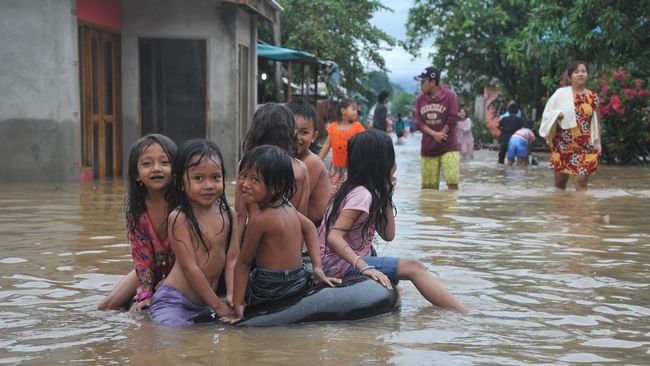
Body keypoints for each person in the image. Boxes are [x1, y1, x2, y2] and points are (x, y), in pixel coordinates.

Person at [319, 130, 468, 313]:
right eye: (392, 159)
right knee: (414, 267)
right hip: (338, 265)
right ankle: (464, 312)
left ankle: (450, 307)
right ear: (381, 163)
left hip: (340, 262)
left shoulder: (363, 191)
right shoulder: (362, 195)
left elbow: (388, 235)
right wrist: (365, 267)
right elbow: (334, 236)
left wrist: (387, 195)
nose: (395, 165)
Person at [222, 145, 339, 323]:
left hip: (269, 286)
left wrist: (237, 306)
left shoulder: (260, 219)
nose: (245, 184)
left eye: (255, 180)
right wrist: (317, 268)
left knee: (228, 293)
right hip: (298, 279)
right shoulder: (286, 205)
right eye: (243, 176)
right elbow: (309, 227)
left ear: (276, 186)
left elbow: (243, 264)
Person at [148, 139, 238, 326]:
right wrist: (218, 306)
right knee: (176, 342)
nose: (208, 185)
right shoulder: (180, 218)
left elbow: (232, 259)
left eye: (215, 177)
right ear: (180, 183)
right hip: (174, 302)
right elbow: (190, 268)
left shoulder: (229, 214)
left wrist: (231, 295)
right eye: (198, 178)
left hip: (204, 305)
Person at [98, 134, 177, 311]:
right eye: (147, 164)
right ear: (137, 175)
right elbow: (142, 260)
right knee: (106, 306)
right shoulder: (137, 214)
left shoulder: (183, 206)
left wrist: (171, 281)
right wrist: (145, 296)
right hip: (152, 271)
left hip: (183, 272)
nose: (156, 169)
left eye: (165, 163)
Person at [237, 103, 311, 247]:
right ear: (289, 134)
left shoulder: (245, 166)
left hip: (255, 243)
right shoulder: (300, 169)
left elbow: (240, 215)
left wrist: (233, 257)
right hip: (287, 246)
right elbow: (302, 217)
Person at [539, 60, 601, 191]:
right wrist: (557, 115)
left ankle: (581, 211)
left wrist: (598, 142)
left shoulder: (593, 97)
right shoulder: (560, 94)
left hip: (585, 146)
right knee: (560, 185)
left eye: (583, 71)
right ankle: (562, 209)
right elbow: (547, 114)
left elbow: (596, 121)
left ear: (587, 75)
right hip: (563, 145)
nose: (580, 74)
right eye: (576, 72)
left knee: (581, 184)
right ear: (569, 76)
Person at [413, 66, 461, 190]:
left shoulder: (450, 96)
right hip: (428, 148)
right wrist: (435, 134)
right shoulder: (420, 100)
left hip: (448, 146)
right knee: (429, 189)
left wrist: (442, 134)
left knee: (452, 182)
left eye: (423, 81)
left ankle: (451, 209)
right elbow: (418, 122)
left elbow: (453, 118)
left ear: (433, 82)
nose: (420, 85)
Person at [287, 100, 333, 226]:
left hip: (318, 228)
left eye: (304, 132)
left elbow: (292, 202)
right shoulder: (288, 159)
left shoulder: (311, 162)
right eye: (293, 130)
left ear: (314, 136)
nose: (297, 137)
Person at [319, 98, 365, 192]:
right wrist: (319, 161)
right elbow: (327, 145)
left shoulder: (357, 127)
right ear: (343, 111)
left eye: (356, 110)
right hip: (335, 169)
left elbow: (364, 145)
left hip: (352, 169)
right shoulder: (333, 127)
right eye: (353, 109)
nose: (356, 112)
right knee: (332, 192)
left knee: (348, 192)